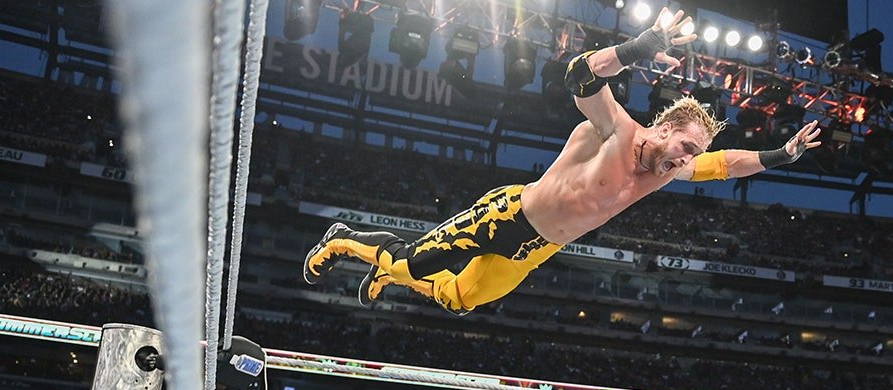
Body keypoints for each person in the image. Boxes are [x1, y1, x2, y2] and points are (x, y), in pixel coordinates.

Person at [302, 8, 821, 316]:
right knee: (410, 262)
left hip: (535, 248)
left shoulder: (669, 171)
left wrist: (782, 155)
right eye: (687, 146)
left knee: (458, 300)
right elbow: (580, 75)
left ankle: (391, 274)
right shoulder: (615, 129)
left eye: (695, 154)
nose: (689, 160)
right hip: (506, 217)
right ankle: (343, 239)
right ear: (665, 130)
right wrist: (640, 46)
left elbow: (728, 164)